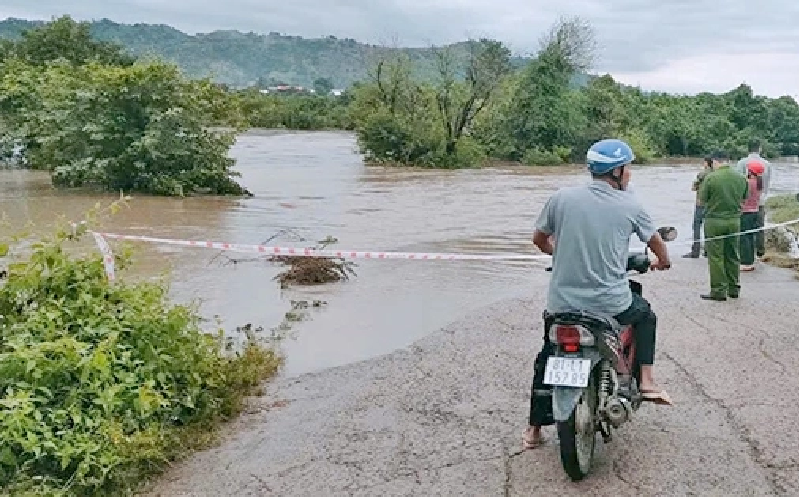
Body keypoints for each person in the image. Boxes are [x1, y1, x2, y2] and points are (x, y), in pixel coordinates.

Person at [523, 138, 673, 450]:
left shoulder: (561, 198)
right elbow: (657, 242)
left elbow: (540, 240)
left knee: (547, 355)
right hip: (610, 304)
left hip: (561, 303)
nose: (629, 173)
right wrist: (663, 261)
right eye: (628, 168)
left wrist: (562, 257)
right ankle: (646, 382)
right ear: (618, 171)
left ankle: (533, 430)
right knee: (645, 315)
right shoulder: (631, 205)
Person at [698, 151, 749, 301]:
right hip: (734, 221)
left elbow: (701, 201)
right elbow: (744, 200)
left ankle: (719, 290)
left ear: (715, 161)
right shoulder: (741, 178)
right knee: (733, 254)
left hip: (714, 221)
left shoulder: (711, 178)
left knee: (716, 256)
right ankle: (734, 288)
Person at [735, 140, 771, 257]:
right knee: (759, 227)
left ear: (748, 149)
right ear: (760, 148)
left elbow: (738, 184)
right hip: (760, 200)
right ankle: (760, 252)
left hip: (745, 204)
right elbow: (767, 184)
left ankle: (745, 255)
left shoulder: (741, 163)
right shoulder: (767, 164)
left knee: (745, 230)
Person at [683, 157, 714, 258]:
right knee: (708, 227)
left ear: (706, 163)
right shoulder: (716, 174)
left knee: (696, 226)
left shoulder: (702, 174)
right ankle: (707, 251)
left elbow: (694, 187)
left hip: (701, 203)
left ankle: (695, 250)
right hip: (711, 204)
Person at [740, 161, 765, 271]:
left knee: (744, 237)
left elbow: (741, 196)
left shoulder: (748, 183)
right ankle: (750, 260)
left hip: (746, 212)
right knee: (750, 237)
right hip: (755, 211)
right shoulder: (759, 183)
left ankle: (746, 262)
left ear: (751, 171)